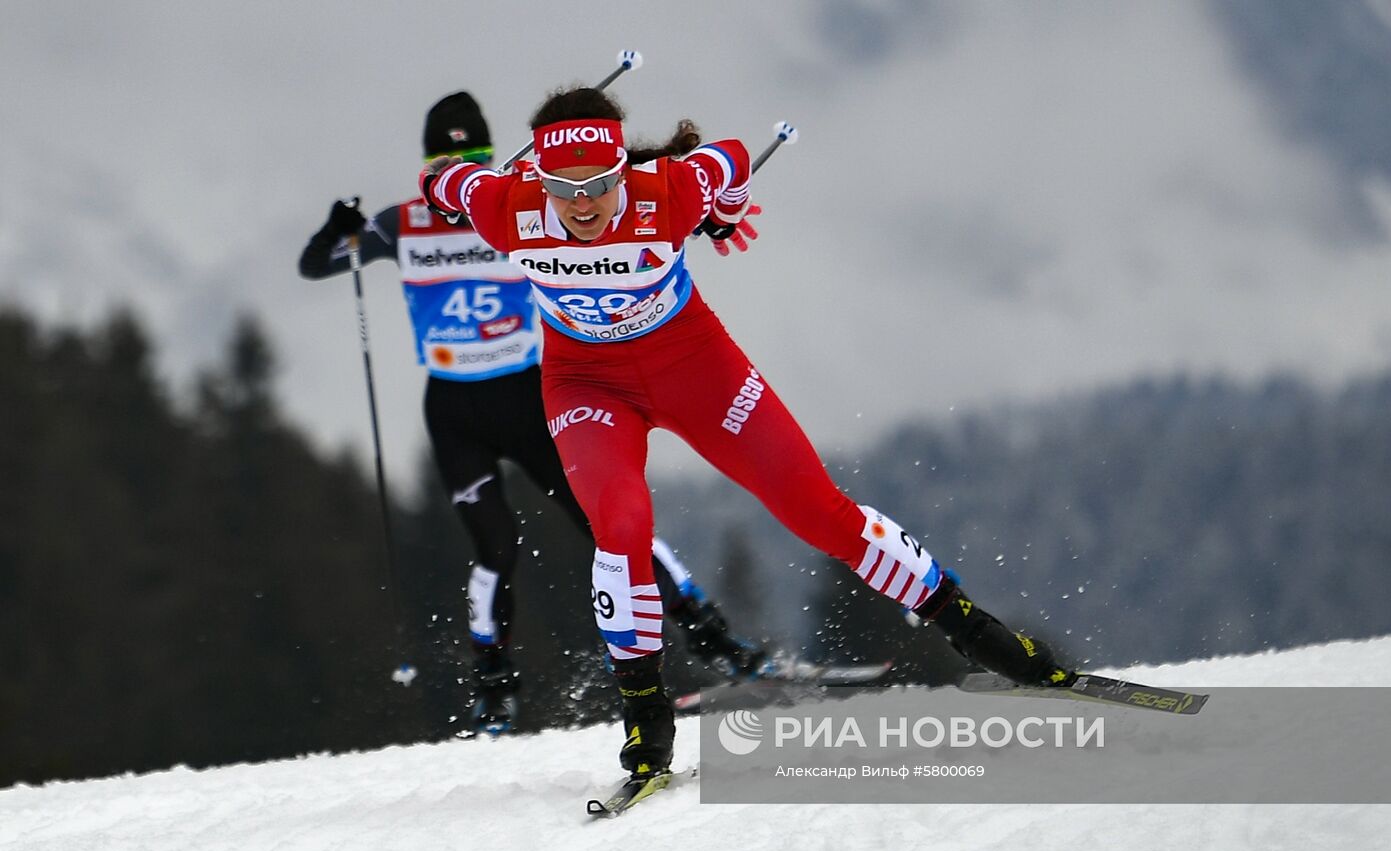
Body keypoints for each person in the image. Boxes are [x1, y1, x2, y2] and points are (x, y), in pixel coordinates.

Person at [419, 86, 1076, 777]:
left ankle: (977, 633)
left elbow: (729, 160)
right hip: (587, 385)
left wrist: (725, 212)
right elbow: (447, 182)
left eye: (601, 184)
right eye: (563, 188)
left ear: (625, 169)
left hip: (693, 366)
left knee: (818, 512)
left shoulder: (669, 189)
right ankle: (646, 718)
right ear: (540, 181)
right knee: (620, 523)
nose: (582, 205)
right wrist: (440, 188)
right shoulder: (505, 205)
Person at [298, 91, 769, 736]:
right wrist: (337, 227)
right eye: (445, 158)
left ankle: (708, 631)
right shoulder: (404, 223)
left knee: (606, 518)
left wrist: (701, 213)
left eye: (473, 156)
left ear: (490, 159)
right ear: (429, 164)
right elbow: (317, 264)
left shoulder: (522, 207)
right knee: (496, 546)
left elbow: (619, 215)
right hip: (455, 409)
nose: (456, 168)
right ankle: (492, 683)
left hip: (528, 394)